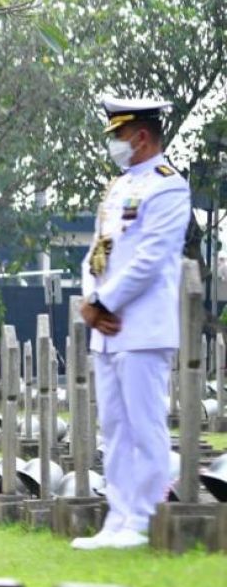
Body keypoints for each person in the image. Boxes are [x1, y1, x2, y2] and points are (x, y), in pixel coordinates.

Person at [74, 97, 192, 550]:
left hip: (141, 329)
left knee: (145, 427)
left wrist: (103, 301)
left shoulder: (168, 187)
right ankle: (118, 519)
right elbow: (99, 251)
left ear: (140, 136)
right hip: (106, 332)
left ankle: (143, 519)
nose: (114, 145)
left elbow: (150, 259)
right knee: (115, 429)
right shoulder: (118, 188)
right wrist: (90, 299)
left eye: (118, 136)